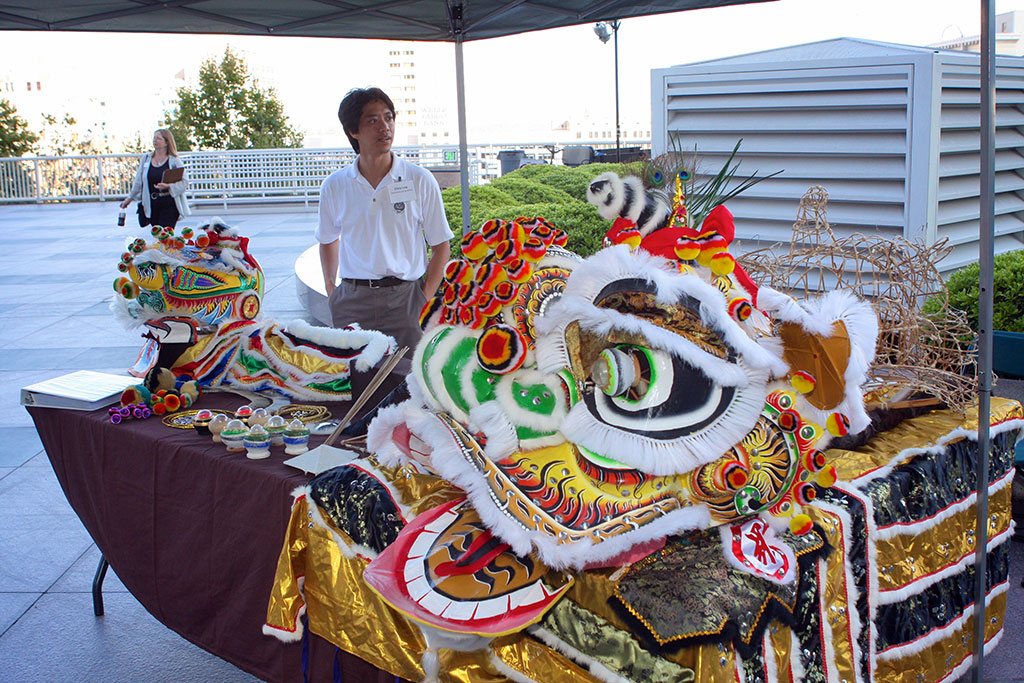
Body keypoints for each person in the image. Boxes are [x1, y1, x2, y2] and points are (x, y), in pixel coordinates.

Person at [316, 87, 453, 352]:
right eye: (373, 120)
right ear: (353, 131)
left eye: (389, 117)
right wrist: (332, 290)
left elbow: (441, 245)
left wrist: (423, 298)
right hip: (352, 301)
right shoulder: (335, 186)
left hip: (406, 300)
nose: (385, 127)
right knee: (356, 382)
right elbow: (327, 239)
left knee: (410, 382)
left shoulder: (419, 179)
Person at [121, 129, 191, 228]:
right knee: (157, 234)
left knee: (166, 234)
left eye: (159, 138)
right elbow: (138, 182)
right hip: (151, 203)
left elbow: (184, 183)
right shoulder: (146, 159)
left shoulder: (174, 161)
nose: (155, 141)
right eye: (154, 138)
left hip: (169, 204)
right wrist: (129, 199)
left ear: (167, 142)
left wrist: (168, 186)